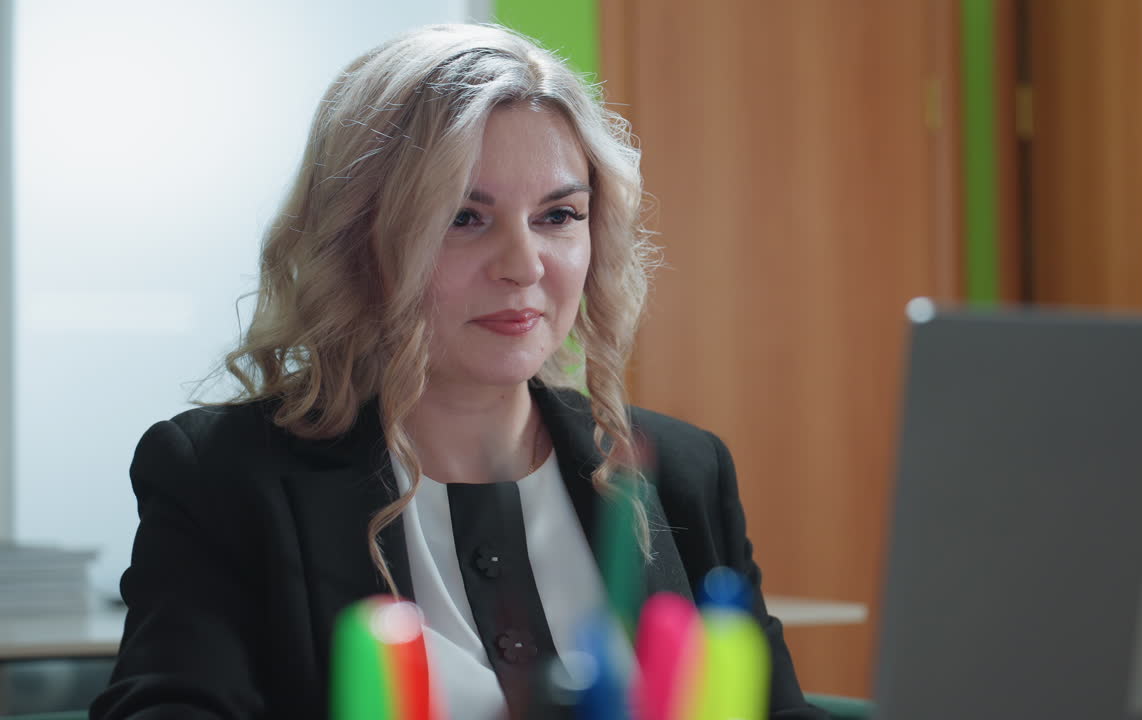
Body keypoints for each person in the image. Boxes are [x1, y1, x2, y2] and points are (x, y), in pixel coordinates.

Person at [91, 23, 827, 720]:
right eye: (462, 218)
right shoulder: (222, 477)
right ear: (359, 238)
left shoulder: (683, 471)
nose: (523, 265)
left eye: (559, 216)